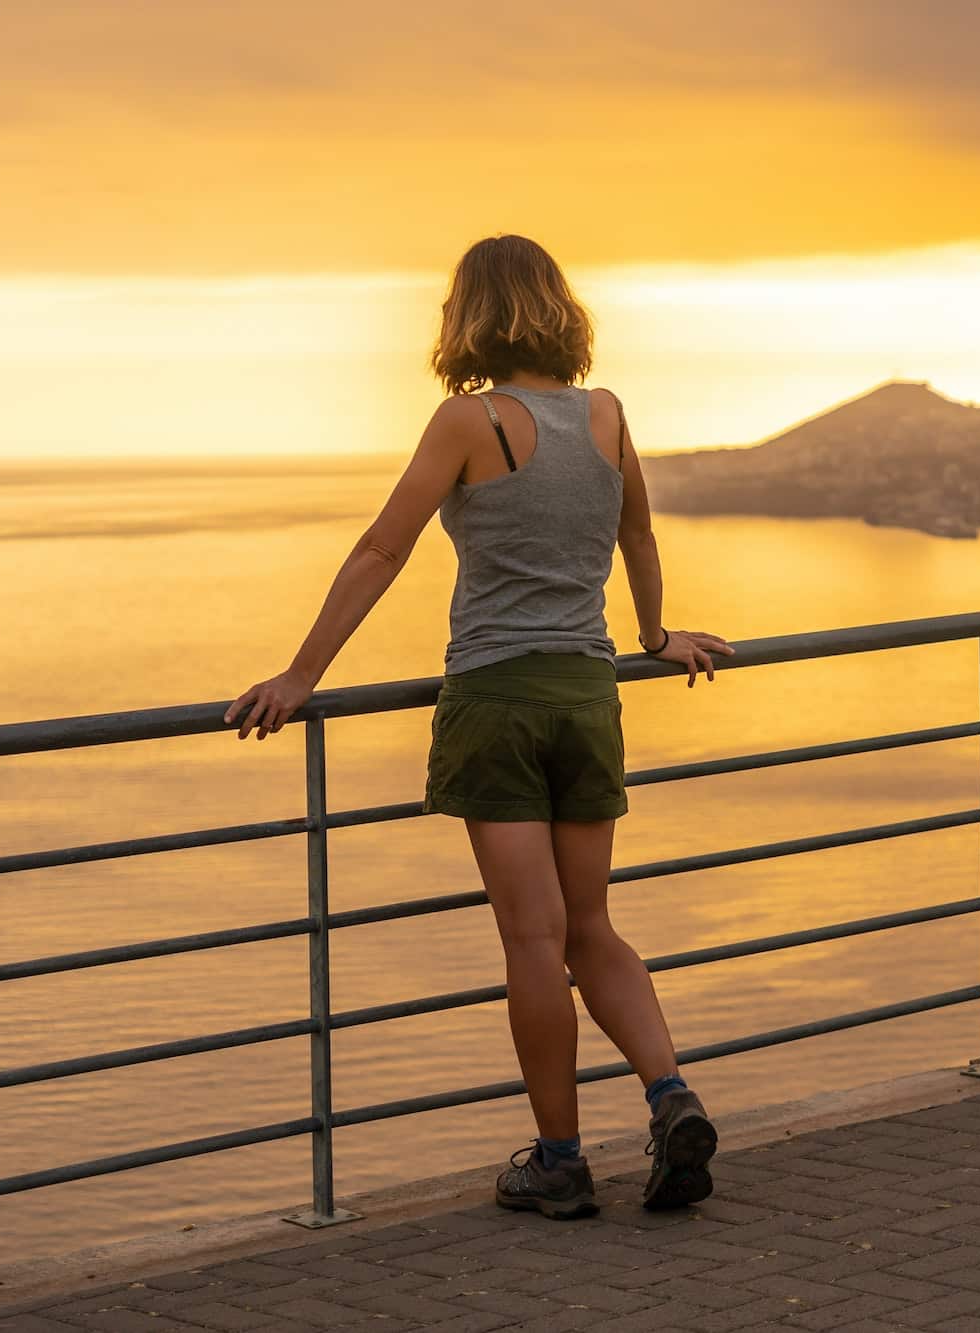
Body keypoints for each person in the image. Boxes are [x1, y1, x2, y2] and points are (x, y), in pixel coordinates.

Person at [223, 233, 736, 1220]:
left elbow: (384, 547)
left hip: (498, 703)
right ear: (559, 310)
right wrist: (657, 634)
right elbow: (635, 532)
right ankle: (670, 1095)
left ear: (468, 317)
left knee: (532, 942)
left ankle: (558, 1159)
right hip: (589, 697)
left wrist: (300, 673)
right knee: (591, 927)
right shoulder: (605, 412)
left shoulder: (469, 422)